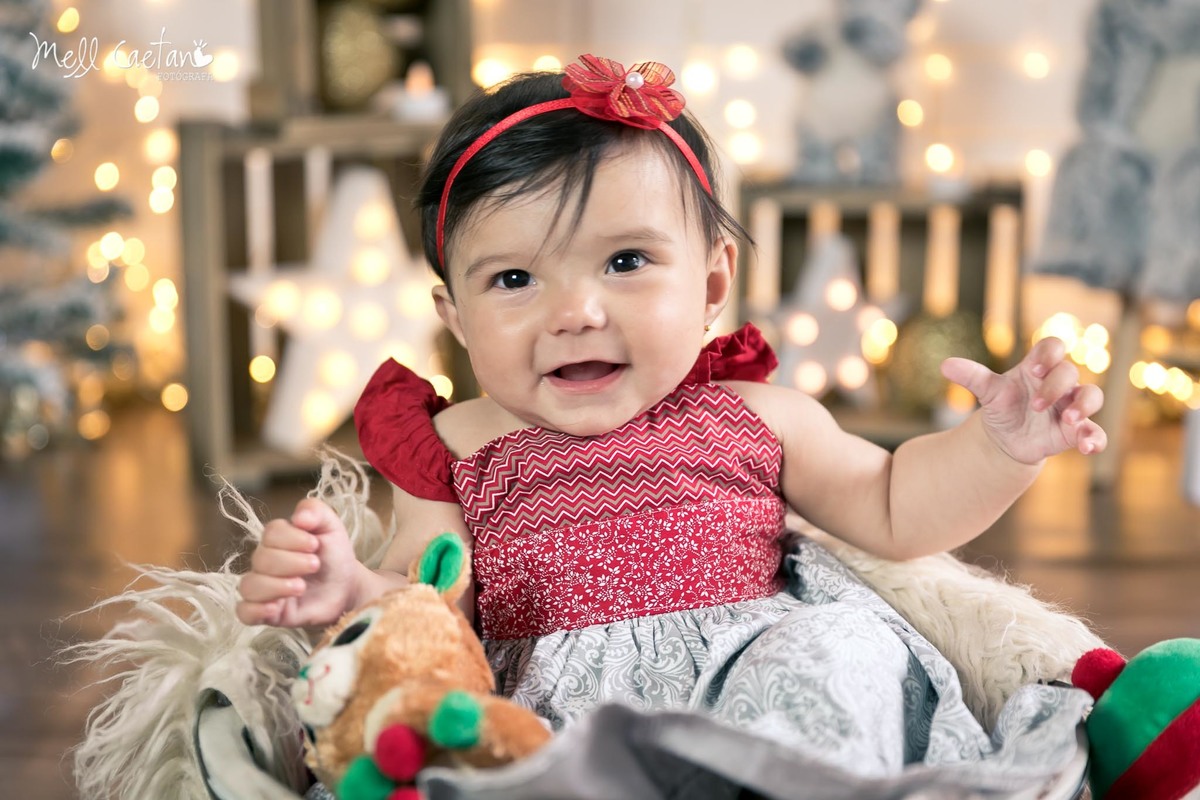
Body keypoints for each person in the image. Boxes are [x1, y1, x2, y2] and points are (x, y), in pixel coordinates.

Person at [236, 54, 1106, 782]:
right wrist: (350, 591)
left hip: (757, 689)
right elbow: (427, 603)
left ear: (712, 284)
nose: (575, 313)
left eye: (625, 261)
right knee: (470, 743)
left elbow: (895, 506)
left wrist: (1000, 446)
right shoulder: (460, 445)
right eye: (514, 279)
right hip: (562, 721)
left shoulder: (755, 415)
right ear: (455, 318)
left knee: (840, 649)